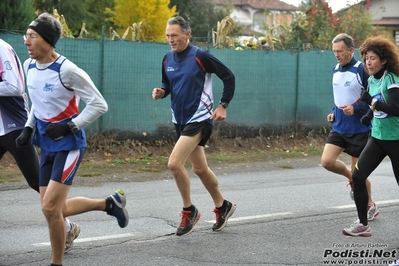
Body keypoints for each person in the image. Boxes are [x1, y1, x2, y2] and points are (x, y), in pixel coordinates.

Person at [17, 12, 129, 266]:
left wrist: (70, 126)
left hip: (69, 145)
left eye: (32, 36)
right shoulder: (29, 66)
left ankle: (56, 262)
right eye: (27, 35)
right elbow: (38, 102)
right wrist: (28, 127)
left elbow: (99, 104)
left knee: (49, 209)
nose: (27, 41)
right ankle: (109, 204)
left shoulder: (67, 70)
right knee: (55, 209)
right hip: (45, 144)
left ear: (47, 40)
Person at [152, 16, 236, 236]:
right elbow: (168, 84)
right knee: (199, 168)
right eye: (168, 36)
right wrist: (162, 91)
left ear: (187, 35)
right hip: (179, 120)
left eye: (175, 36)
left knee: (174, 164)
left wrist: (223, 105)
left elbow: (229, 76)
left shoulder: (200, 56)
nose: (171, 40)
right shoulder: (167, 58)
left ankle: (189, 211)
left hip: (200, 118)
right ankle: (222, 205)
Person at [0, 38, 80, 253]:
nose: (28, 41)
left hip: (15, 126)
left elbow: (14, 85)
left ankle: (67, 226)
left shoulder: (2, 48)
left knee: (37, 181)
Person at [342, 36, 399, 238]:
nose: (368, 61)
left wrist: (371, 102)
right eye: (366, 57)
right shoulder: (373, 81)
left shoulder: (391, 79)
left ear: (383, 60)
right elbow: (376, 107)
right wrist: (368, 116)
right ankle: (362, 224)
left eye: (373, 58)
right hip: (377, 139)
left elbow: (395, 109)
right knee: (357, 177)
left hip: (396, 140)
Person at [320, 33, 379, 220]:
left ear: (351, 50)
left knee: (359, 172)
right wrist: (333, 110)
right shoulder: (336, 69)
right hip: (339, 126)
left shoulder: (360, 69)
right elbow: (339, 96)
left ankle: (370, 204)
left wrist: (355, 108)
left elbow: (372, 97)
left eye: (340, 51)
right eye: (334, 51)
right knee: (327, 162)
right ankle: (350, 179)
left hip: (359, 129)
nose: (337, 55)